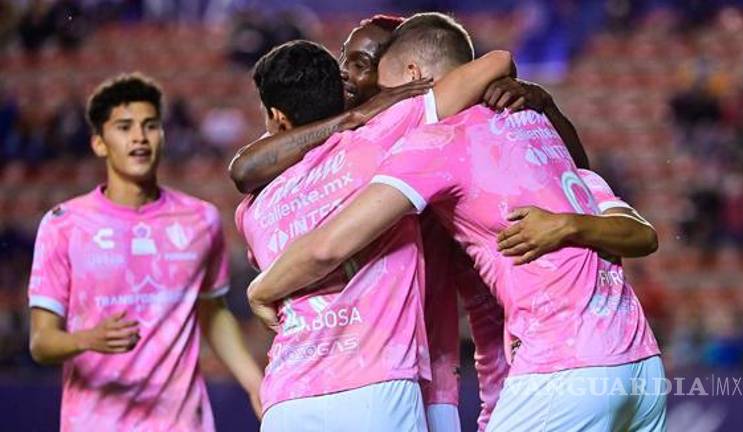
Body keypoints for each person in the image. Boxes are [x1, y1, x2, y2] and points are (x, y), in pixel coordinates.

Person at [247, 14, 666, 432]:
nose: (383, 100)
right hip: (639, 361)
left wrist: (263, 288)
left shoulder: (435, 144)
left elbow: (329, 246)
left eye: (385, 85)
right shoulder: (533, 121)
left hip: (561, 360)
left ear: (414, 76)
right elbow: (623, 216)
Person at [237, 15, 524, 427]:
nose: (350, 75)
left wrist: (261, 290)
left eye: (359, 64)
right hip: (379, 383)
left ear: (278, 120)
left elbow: (244, 170)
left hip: (288, 393)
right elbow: (494, 62)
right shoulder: (381, 139)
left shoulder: (252, 208)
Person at [27, 73, 263, 431]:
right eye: (124, 127)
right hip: (95, 422)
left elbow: (212, 311)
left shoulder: (201, 219)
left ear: (163, 136)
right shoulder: (63, 225)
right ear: (99, 143)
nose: (139, 137)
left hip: (181, 422)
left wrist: (254, 383)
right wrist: (87, 339)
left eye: (150, 125)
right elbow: (41, 342)